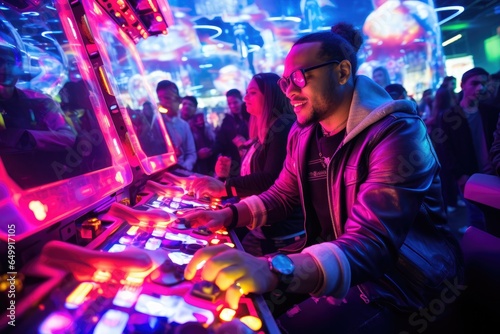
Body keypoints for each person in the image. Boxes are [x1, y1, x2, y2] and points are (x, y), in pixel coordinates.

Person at [182, 23, 463, 333]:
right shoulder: (304, 134)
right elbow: (282, 195)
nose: (288, 90)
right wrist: (225, 215)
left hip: (404, 286)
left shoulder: (398, 132)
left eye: (299, 77)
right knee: (236, 309)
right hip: (335, 265)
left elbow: (373, 240)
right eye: (285, 81)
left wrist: (274, 269)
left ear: (342, 73)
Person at [189, 73, 304, 256]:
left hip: (283, 235)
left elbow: (270, 179)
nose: (245, 98)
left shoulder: (282, 126)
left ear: (270, 96)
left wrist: (226, 187)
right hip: (264, 227)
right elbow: (256, 178)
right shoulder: (264, 132)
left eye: (252, 93)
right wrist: (226, 175)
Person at [440, 67, 500, 231]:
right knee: (478, 220)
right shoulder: (450, 116)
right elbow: (446, 149)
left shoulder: (490, 111)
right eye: (474, 83)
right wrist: (459, 175)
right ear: (462, 85)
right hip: (469, 176)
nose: (480, 88)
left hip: (493, 173)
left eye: (483, 83)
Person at [0, 43, 76, 152]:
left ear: (20, 67)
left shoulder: (41, 101)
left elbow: (68, 137)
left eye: (11, 63)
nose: (6, 68)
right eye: (1, 62)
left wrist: (22, 137)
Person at [156, 80, 197, 171]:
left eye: (167, 98)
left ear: (178, 100)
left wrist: (185, 167)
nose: (163, 102)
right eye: (160, 98)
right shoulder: (155, 123)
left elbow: (191, 153)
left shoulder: (184, 125)